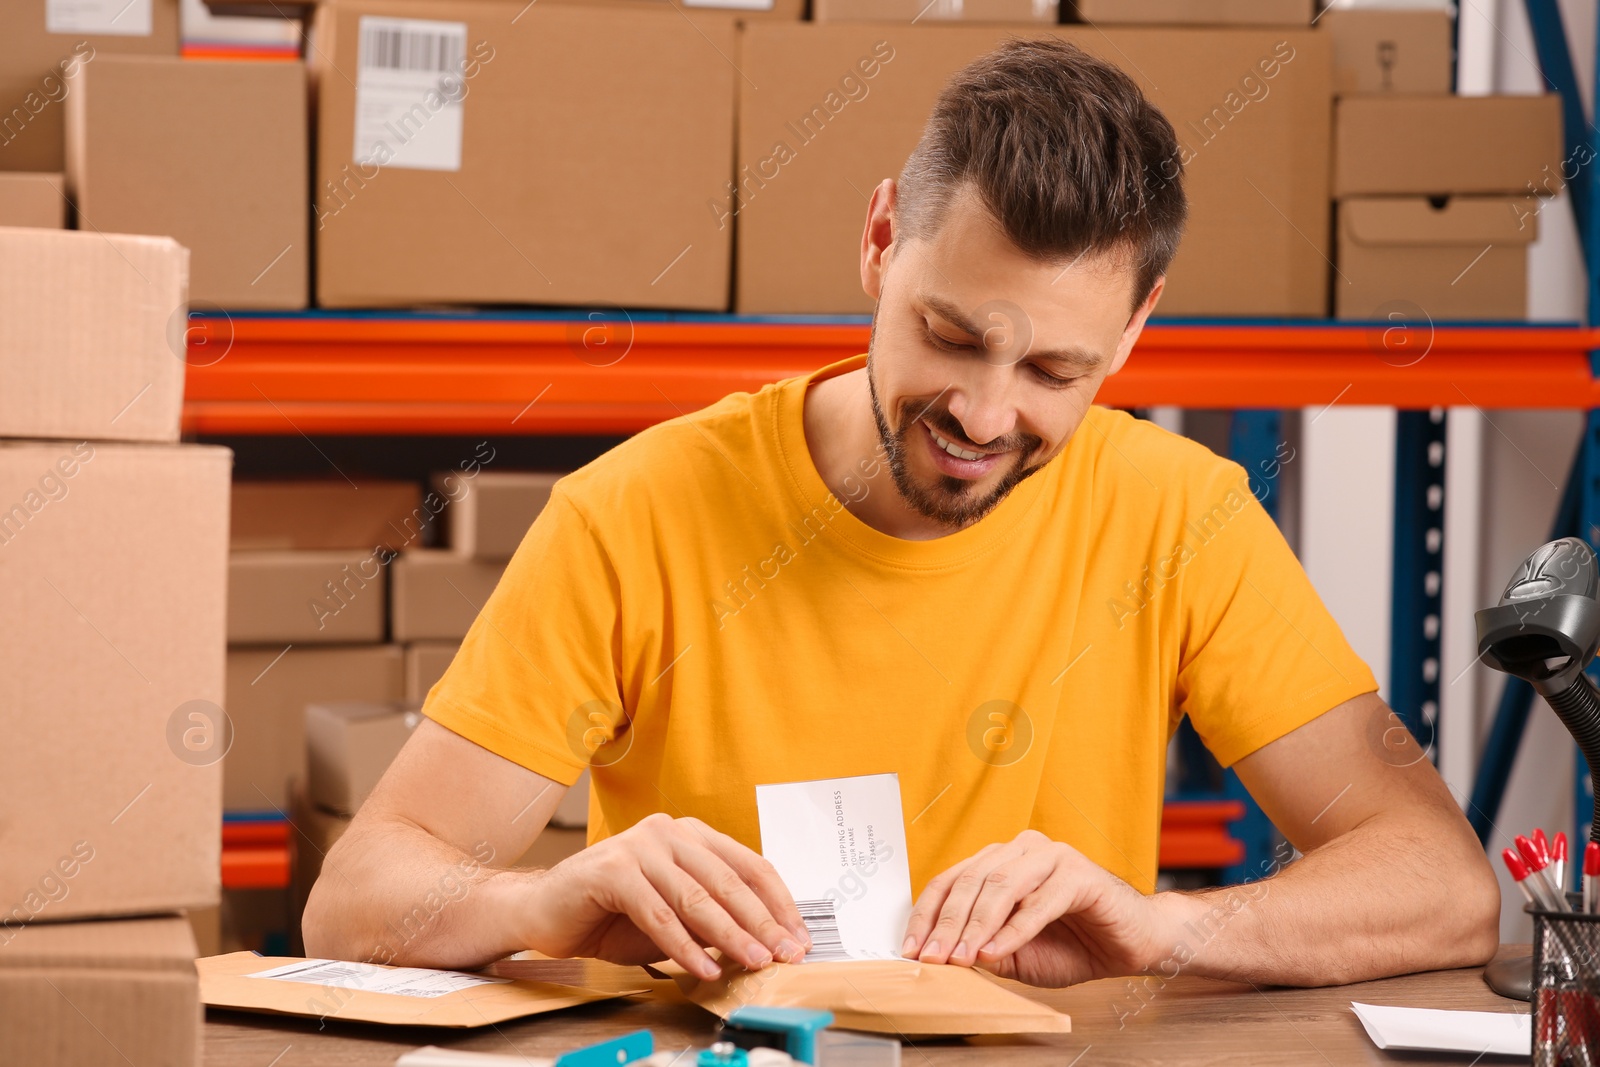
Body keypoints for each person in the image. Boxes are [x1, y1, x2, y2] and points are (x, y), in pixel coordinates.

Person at [303, 38, 1499, 989]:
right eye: (951, 335)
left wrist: (1157, 928)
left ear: (1134, 335)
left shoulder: (1180, 515)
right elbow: (355, 896)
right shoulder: (635, 514)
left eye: (1053, 373)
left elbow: (1440, 883)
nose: (983, 415)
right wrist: (546, 897)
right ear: (881, 242)